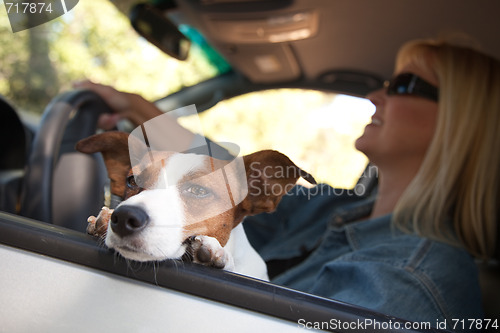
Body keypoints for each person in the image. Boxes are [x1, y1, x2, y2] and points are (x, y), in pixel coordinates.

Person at [75, 39, 500, 330]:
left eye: (403, 85)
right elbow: (211, 174)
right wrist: (133, 106)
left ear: (464, 123)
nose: (376, 94)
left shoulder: (415, 277)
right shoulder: (332, 208)